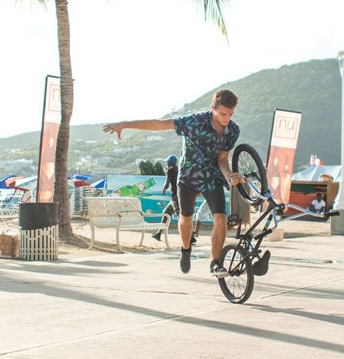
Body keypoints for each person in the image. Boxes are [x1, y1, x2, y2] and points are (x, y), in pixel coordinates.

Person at [104, 88, 243, 277]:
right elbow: (159, 124)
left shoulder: (232, 130)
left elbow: (222, 159)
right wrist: (126, 124)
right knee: (186, 218)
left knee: (221, 219)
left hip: (211, 177)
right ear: (213, 108)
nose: (227, 118)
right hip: (187, 177)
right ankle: (186, 250)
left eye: (231, 114)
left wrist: (228, 175)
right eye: (223, 114)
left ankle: (215, 263)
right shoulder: (193, 121)